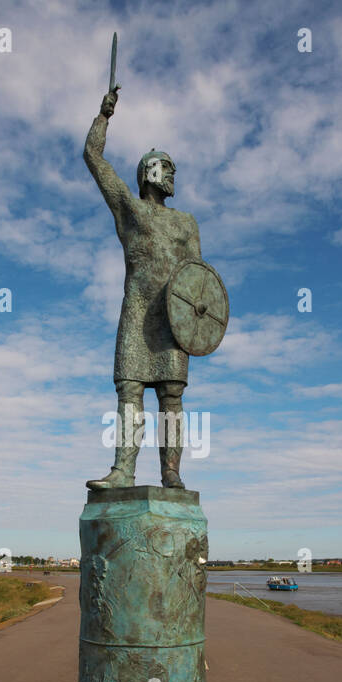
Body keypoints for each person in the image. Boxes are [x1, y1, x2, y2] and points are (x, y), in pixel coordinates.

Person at [83, 85, 201, 490]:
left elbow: (198, 282)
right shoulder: (129, 210)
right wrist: (104, 116)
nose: (172, 176)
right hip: (137, 313)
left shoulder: (186, 223)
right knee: (129, 391)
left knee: (171, 397)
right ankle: (123, 472)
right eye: (166, 168)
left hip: (172, 320)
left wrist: (194, 322)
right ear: (149, 171)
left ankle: (171, 473)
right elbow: (93, 158)